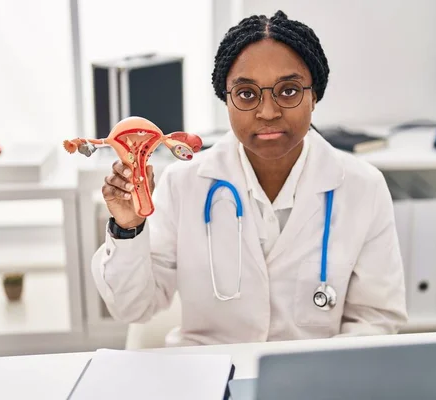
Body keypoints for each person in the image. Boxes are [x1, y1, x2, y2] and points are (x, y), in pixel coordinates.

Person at [91, 10, 407, 347]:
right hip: (207, 377)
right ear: (225, 100)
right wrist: (128, 228)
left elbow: (374, 318)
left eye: (288, 91)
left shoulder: (363, 187)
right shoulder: (183, 184)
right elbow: (132, 307)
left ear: (314, 96)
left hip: (310, 381)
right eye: (246, 94)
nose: (268, 112)